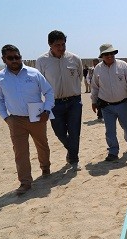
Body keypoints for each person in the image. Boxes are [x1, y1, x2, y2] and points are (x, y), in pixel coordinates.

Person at [0, 44, 54, 195]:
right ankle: (25, 182)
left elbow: (48, 92)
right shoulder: (0, 77)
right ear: (4, 59)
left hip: (37, 117)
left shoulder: (34, 73)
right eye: (10, 58)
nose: (15, 60)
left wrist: (47, 110)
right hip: (15, 120)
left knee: (42, 145)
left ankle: (45, 168)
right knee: (20, 152)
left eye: (17, 57)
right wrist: (7, 118)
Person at [36, 30, 83, 171]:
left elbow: (79, 77)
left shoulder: (74, 59)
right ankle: (71, 149)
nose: (61, 48)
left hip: (74, 101)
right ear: (50, 45)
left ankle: (74, 159)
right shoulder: (42, 61)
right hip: (54, 103)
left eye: (63, 44)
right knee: (59, 132)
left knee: (75, 132)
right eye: (57, 45)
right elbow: (40, 83)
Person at [91, 43, 127, 161]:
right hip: (106, 106)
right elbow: (95, 87)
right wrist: (94, 101)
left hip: (123, 104)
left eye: (111, 53)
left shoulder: (123, 66)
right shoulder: (98, 69)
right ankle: (113, 151)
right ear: (102, 56)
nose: (109, 56)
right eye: (106, 54)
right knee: (110, 130)